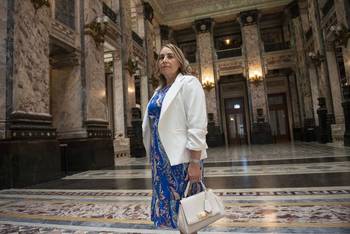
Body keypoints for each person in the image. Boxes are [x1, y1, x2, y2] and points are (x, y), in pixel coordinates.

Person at [142, 43, 208, 232]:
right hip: (161, 160)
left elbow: (197, 124)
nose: (164, 60)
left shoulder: (189, 83)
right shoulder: (159, 91)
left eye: (170, 56)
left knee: (188, 210)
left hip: (182, 159)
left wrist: (195, 161)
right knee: (171, 211)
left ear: (180, 61)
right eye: (161, 57)